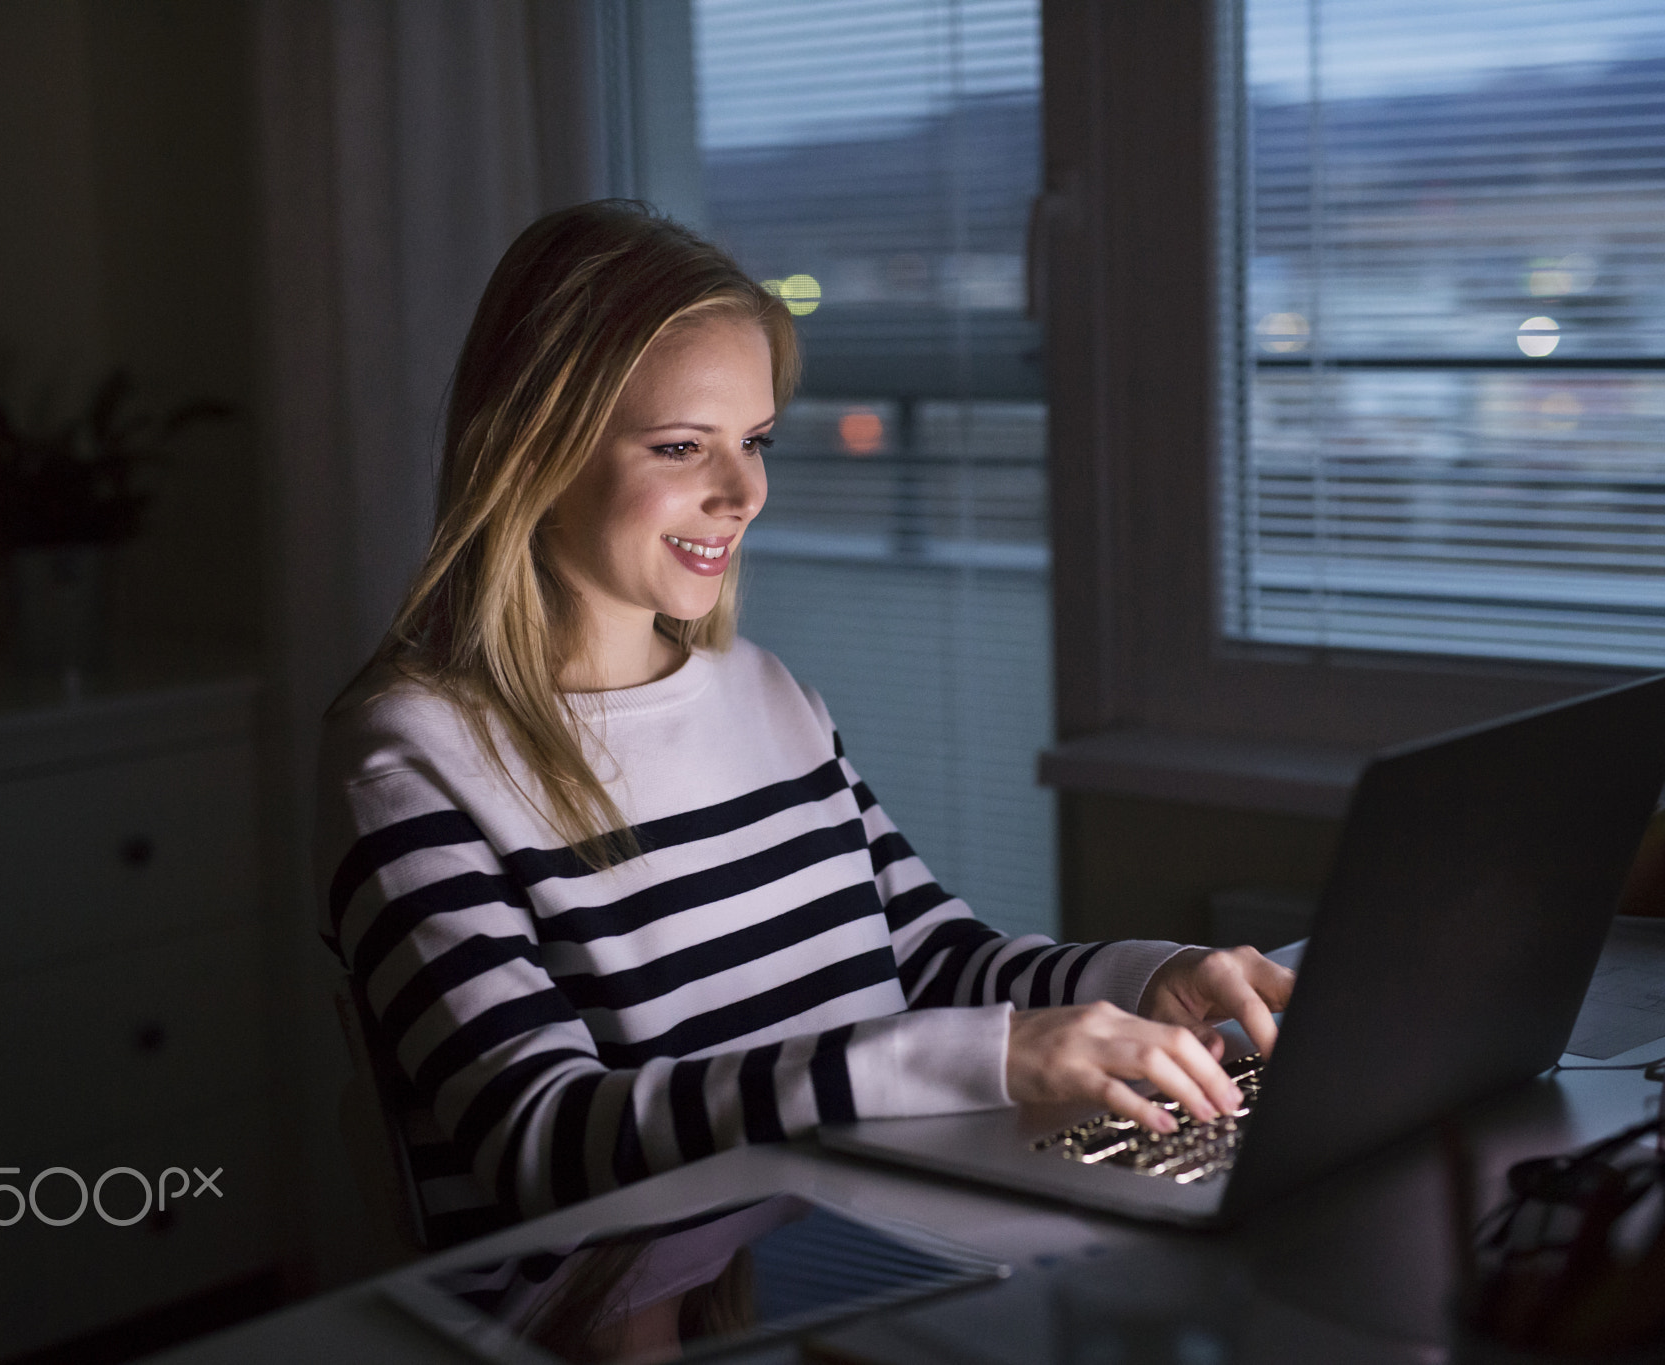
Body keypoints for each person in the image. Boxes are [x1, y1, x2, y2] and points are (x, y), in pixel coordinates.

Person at [317, 201, 1295, 1245]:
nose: (743, 491)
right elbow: (541, 1141)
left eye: (753, 440)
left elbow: (923, 956)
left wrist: (1144, 986)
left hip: (848, 1244)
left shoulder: (766, 695)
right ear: (533, 447)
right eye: (683, 447)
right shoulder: (413, 758)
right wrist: (984, 1056)